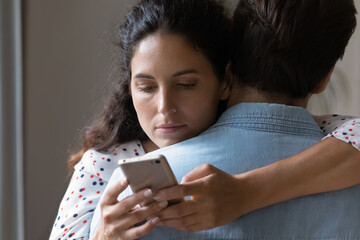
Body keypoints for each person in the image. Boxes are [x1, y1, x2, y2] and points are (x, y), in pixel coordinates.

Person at [50, 0, 360, 239]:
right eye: (146, 87)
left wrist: (245, 192)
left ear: (225, 78)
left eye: (186, 85)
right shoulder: (108, 169)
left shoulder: (336, 141)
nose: (165, 107)